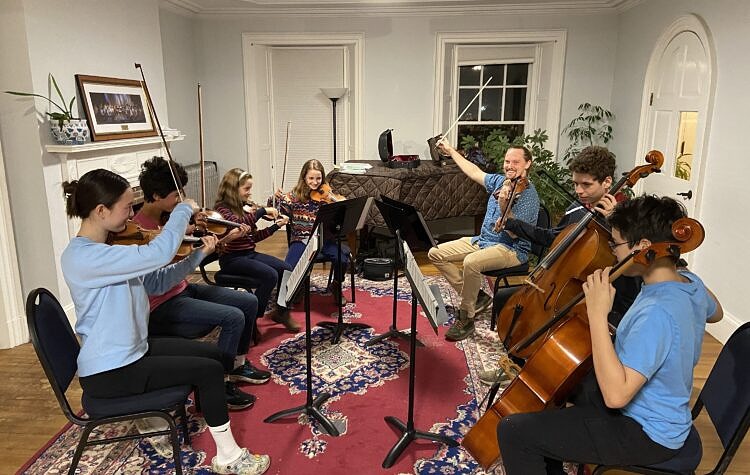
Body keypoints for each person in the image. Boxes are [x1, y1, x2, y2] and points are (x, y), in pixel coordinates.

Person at [61, 169, 270, 475]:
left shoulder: (110, 250)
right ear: (101, 210)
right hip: (111, 369)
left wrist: (196, 256)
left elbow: (157, 283)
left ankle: (212, 409)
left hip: (135, 349)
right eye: (126, 207)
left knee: (214, 356)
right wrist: (184, 207)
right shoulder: (82, 257)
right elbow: (159, 253)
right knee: (210, 370)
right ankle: (228, 457)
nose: (131, 214)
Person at [497, 195, 723, 475]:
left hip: (646, 431)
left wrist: (597, 314)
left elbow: (616, 397)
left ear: (642, 248)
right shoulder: (690, 283)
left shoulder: (656, 313)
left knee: (514, 432)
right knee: (559, 385)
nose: (613, 251)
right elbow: (717, 313)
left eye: (615, 243)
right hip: (663, 411)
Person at [479, 146, 641, 385]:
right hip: (567, 284)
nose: (578, 191)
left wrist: (616, 225)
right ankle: (515, 363)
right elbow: (551, 237)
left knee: (547, 320)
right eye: (575, 184)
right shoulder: (579, 209)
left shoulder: (628, 216)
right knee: (509, 301)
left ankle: (546, 374)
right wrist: (512, 223)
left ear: (607, 182)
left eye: (586, 185)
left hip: (608, 297)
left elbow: (635, 269)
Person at [133, 157, 271, 403]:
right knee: (233, 317)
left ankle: (237, 365)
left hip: (182, 289)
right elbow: (163, 274)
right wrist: (198, 250)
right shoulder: (139, 233)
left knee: (248, 301)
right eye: (176, 195)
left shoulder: (169, 220)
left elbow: (184, 240)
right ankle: (221, 383)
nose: (180, 200)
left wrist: (202, 233)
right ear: (155, 195)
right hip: (161, 305)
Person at [428, 139, 540, 341]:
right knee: (435, 253)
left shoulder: (529, 197)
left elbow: (516, 234)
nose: (509, 166)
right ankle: (477, 296)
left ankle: (466, 318)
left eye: (515, 162)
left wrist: (504, 206)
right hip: (483, 240)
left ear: (527, 164)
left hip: (511, 249)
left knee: (471, 262)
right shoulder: (500, 182)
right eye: (507, 161)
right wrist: (452, 151)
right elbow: (473, 172)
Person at [214, 168, 300, 332]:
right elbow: (236, 224)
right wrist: (261, 211)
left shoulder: (243, 208)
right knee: (270, 275)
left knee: (286, 269)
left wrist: (275, 226)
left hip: (249, 254)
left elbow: (253, 238)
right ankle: (252, 319)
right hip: (232, 259)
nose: (249, 193)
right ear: (233, 189)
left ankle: (282, 312)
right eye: (246, 189)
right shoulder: (221, 210)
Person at [273, 159, 351, 305]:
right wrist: (275, 200)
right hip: (301, 240)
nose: (315, 182)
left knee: (342, 258)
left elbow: (344, 207)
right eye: (311, 178)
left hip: (324, 240)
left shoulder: (326, 194)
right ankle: (291, 294)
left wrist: (335, 201)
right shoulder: (294, 196)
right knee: (288, 268)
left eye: (318, 178)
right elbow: (279, 210)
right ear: (304, 177)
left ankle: (336, 285)